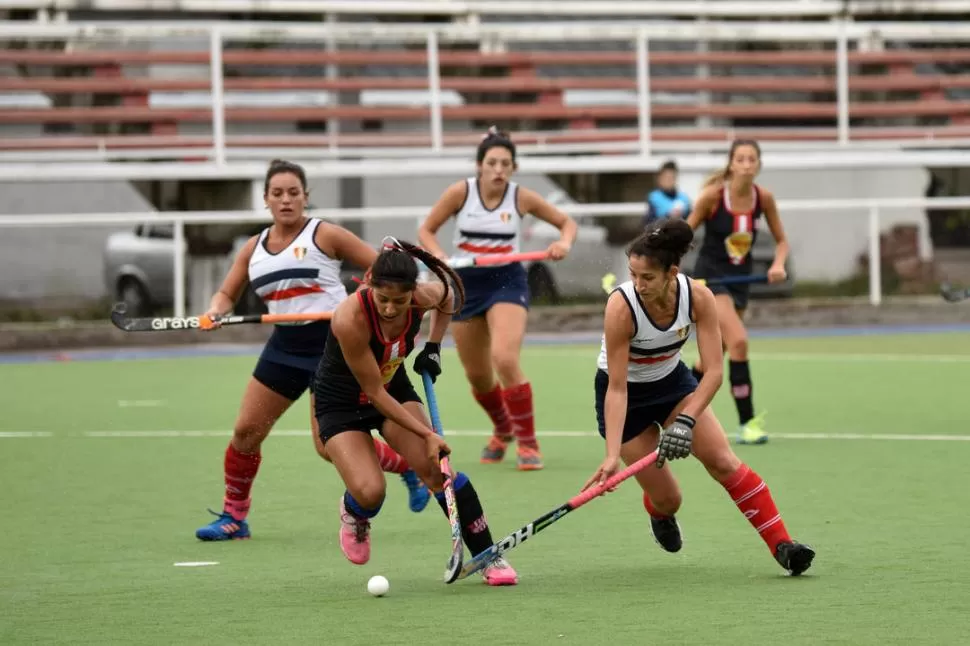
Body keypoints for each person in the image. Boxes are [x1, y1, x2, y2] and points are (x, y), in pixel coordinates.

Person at [194, 159, 430, 542]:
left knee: (326, 445)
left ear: (305, 197)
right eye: (277, 194)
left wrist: (373, 300)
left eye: (294, 192)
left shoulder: (324, 234)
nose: (286, 200)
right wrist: (215, 311)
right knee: (245, 432)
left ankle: (405, 467)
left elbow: (382, 268)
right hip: (283, 348)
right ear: (266, 199)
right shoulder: (253, 248)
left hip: (333, 347)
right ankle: (234, 518)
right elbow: (226, 293)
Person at [585, 218, 814, 577]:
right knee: (670, 499)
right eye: (633, 275)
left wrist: (686, 420)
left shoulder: (698, 297)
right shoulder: (620, 307)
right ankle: (659, 513)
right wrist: (612, 455)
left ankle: (783, 545)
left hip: (673, 385)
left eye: (647, 278)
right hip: (626, 398)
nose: (638, 285)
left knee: (723, 461)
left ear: (671, 273)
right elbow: (617, 388)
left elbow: (714, 371)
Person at [313, 238, 519, 586]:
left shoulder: (423, 295)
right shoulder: (349, 319)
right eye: (383, 299)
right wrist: (428, 433)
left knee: (436, 470)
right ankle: (354, 512)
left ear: (413, 293)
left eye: (401, 300)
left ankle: (488, 555)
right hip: (342, 402)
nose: (391, 309)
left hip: (393, 384)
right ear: (369, 285)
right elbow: (373, 392)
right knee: (370, 492)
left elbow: (447, 297)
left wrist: (434, 346)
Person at [417, 126, 578, 470]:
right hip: (465, 284)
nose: (499, 170)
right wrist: (439, 258)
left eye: (506, 163)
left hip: (507, 280)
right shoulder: (460, 193)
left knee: (504, 358)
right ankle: (503, 427)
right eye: (492, 163)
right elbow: (426, 230)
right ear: (480, 165)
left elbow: (566, 223)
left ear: (514, 167)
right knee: (477, 376)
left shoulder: (521, 197)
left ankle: (528, 442)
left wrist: (562, 243)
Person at [686, 139, 790, 445]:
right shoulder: (712, 198)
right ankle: (747, 423)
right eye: (741, 159)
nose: (746, 164)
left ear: (758, 165)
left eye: (751, 159)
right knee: (740, 342)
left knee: (712, 359)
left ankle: (676, 407)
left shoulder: (764, 199)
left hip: (740, 280)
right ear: (732, 164)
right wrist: (669, 263)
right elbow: (685, 233)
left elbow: (782, 241)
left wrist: (779, 264)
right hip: (711, 280)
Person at [644, 159, 692, 226]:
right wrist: (668, 216)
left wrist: (682, 216)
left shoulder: (684, 198)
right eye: (666, 178)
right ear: (660, 179)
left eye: (672, 178)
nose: (669, 181)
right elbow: (648, 222)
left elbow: (691, 221)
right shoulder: (654, 198)